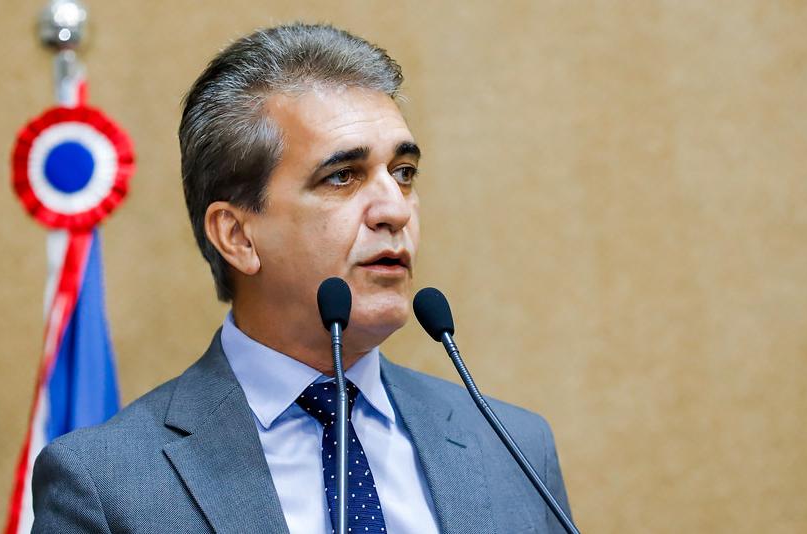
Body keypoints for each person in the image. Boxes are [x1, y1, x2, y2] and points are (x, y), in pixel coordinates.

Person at [32, 23, 572, 534]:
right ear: (237, 236)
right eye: (342, 176)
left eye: (403, 173)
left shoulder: (513, 448)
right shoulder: (106, 486)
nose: (395, 209)